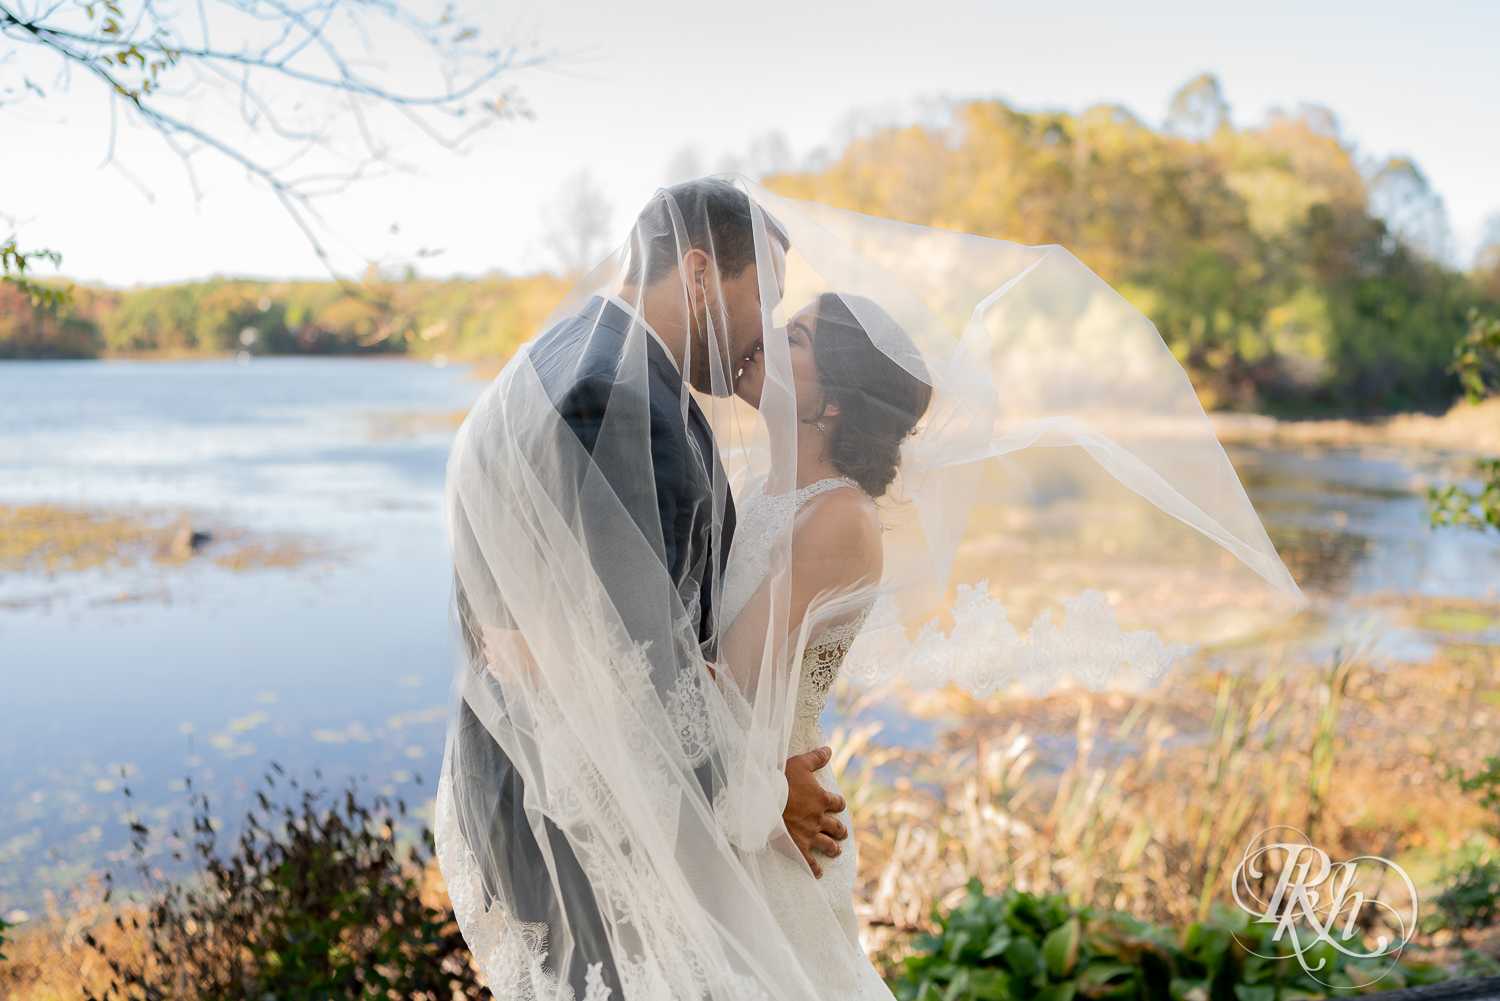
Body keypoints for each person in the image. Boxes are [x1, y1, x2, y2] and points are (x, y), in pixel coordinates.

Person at [436, 174, 1307, 1001]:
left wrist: (761, 782)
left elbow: (652, 646)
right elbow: (635, 665)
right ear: (700, 272)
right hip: (580, 806)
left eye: (790, 326)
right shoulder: (615, 394)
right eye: (766, 301)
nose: (765, 332)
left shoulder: (592, 371)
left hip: (674, 808)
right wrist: (764, 788)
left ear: (835, 402)